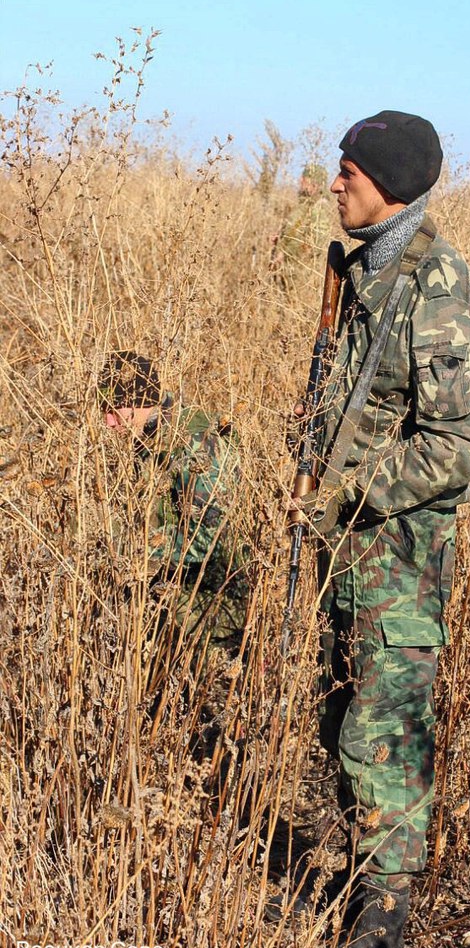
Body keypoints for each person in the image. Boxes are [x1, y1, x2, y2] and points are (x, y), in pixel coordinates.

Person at [299, 111, 470, 948]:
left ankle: (381, 934)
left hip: (399, 561)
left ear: (388, 183)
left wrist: (348, 490)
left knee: (383, 734)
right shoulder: (364, 272)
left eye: (347, 170)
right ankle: (358, 891)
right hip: (346, 554)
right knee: (344, 718)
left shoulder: (438, 286)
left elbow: (460, 443)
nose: (333, 183)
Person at [98, 351, 249, 657]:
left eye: (113, 410)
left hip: (216, 602)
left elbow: (207, 538)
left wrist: (132, 549)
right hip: (178, 590)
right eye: (103, 410)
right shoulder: (147, 437)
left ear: (141, 401)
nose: (107, 422)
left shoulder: (195, 441)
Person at [270, 163, 333, 294]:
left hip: (299, 275)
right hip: (288, 270)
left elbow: (316, 243)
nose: (300, 181)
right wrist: (280, 238)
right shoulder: (305, 204)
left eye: (304, 179)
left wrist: (288, 255)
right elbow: (294, 231)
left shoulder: (319, 207)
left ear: (315, 184)